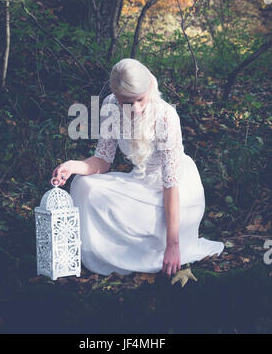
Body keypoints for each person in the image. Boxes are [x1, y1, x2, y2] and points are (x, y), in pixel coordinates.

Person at [51, 58, 224, 277]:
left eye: (140, 100)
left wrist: (173, 244)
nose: (135, 108)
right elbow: (103, 160)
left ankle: (154, 244)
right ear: (116, 96)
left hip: (175, 189)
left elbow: (170, 183)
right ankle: (101, 254)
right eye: (127, 102)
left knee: (161, 230)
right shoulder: (110, 105)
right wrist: (72, 166)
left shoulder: (166, 116)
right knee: (83, 185)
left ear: (149, 87)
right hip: (139, 180)